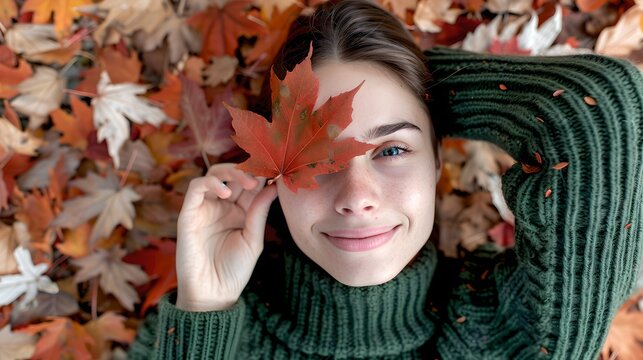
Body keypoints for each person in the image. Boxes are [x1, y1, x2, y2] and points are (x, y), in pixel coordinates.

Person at [127, 0, 643, 359]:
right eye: (318, 158)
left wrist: (414, 81)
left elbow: (601, 102)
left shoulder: (511, 325)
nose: (357, 198)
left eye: (392, 149)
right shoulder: (200, 331)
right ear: (270, 172)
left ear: (437, 160)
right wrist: (206, 308)